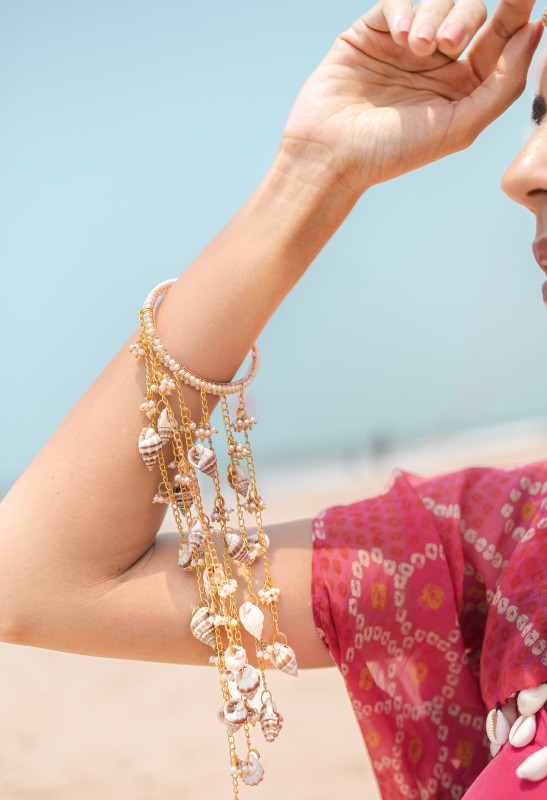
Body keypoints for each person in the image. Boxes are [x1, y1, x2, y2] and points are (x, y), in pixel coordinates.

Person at [1, 0, 546, 797]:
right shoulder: (508, 545)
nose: (520, 174)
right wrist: (314, 175)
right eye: (536, 117)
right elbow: (39, 580)